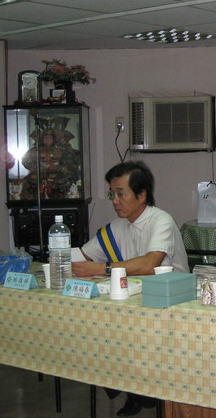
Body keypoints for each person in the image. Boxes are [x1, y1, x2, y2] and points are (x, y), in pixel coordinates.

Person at [72, 161, 188, 416]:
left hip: (169, 306)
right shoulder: (117, 226)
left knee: (124, 336)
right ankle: (132, 391)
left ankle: (146, 393)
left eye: (120, 193)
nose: (115, 201)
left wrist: (101, 268)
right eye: (111, 194)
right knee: (94, 330)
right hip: (133, 304)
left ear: (141, 194)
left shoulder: (161, 220)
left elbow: (149, 264)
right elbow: (82, 256)